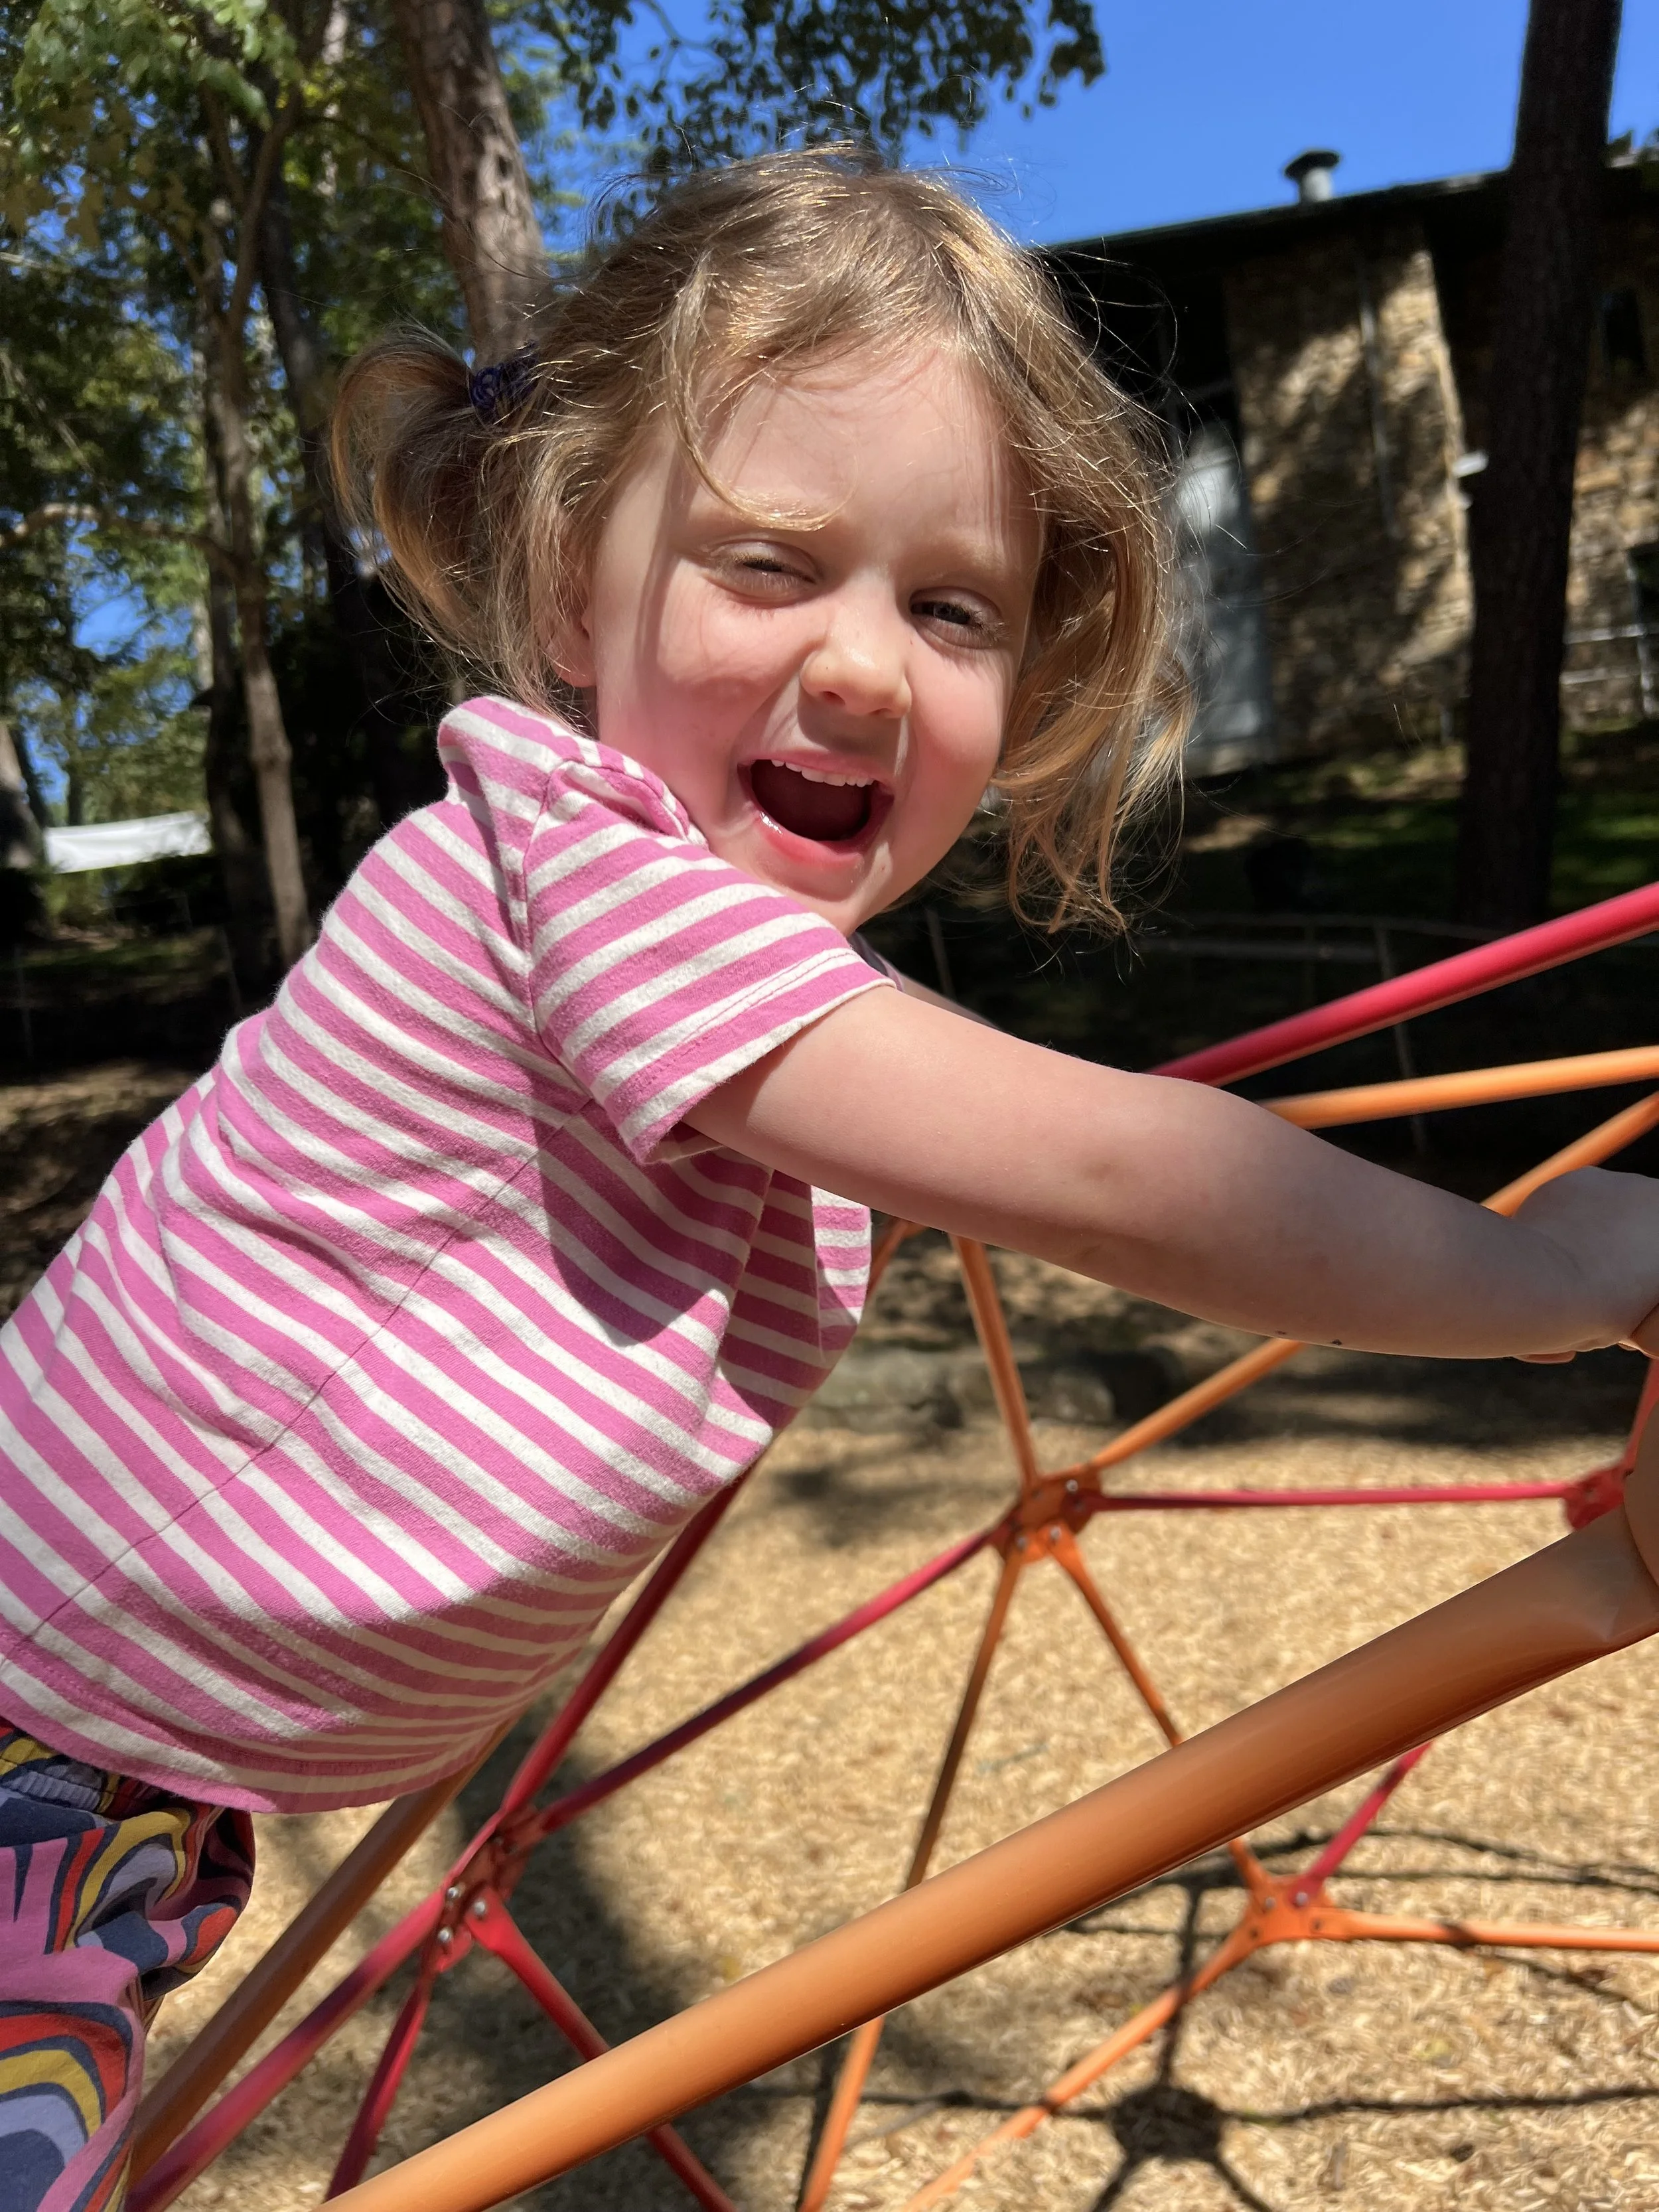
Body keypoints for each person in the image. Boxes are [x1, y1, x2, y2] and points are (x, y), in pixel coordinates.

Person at [3, 147, 1657, 2210]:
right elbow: (1114, 1170)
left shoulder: (732, 1022)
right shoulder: (576, 873)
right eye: (769, 564)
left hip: (122, 1796)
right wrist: (1545, 1264)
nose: (868, 664)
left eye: (948, 604)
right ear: (560, 583)